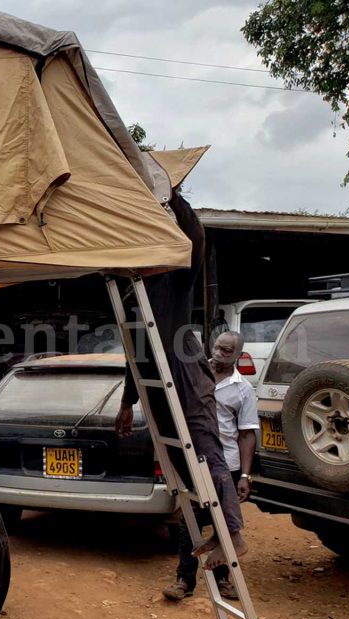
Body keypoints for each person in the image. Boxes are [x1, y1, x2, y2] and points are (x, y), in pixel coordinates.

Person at [114, 192, 248, 571]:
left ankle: (233, 534)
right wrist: (128, 401)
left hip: (185, 374)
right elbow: (135, 351)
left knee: (204, 447)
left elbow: (196, 238)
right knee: (180, 458)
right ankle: (219, 529)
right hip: (157, 379)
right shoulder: (132, 289)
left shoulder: (176, 275)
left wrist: (171, 196)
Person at [163, 330, 259, 601]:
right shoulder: (197, 374)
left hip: (226, 462)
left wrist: (245, 475)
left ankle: (222, 581)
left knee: (223, 525)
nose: (219, 353)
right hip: (197, 460)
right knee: (189, 520)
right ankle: (184, 580)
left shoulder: (243, 389)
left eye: (227, 351)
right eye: (218, 347)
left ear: (239, 355)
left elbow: (247, 433)